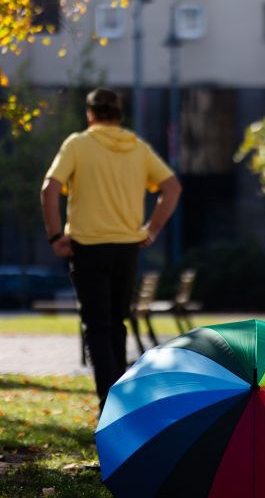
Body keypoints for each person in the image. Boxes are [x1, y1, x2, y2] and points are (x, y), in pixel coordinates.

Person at [40, 88, 181, 412]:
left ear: (90, 114)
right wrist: (153, 228)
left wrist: (54, 235)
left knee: (97, 327)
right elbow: (172, 187)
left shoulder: (77, 144)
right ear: (119, 115)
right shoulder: (137, 147)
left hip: (87, 248)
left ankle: (109, 402)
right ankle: (120, 401)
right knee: (117, 323)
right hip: (127, 248)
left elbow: (50, 189)